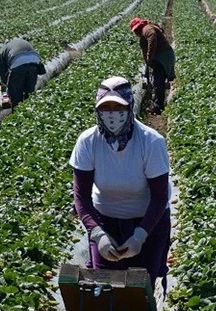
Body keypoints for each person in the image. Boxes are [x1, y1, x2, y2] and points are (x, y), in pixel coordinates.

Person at [69, 76, 171, 289]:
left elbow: (160, 197)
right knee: (104, 290)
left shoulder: (150, 142)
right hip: (105, 223)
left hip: (149, 223)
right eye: (106, 107)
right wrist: (98, 235)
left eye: (118, 106)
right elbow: (81, 196)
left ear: (130, 105)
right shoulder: (88, 142)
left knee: (139, 290)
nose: (112, 113)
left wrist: (140, 236)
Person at [130, 17, 175, 115]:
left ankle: (158, 106)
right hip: (163, 57)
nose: (136, 33)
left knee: (158, 82)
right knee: (158, 81)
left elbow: (152, 37)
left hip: (163, 58)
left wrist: (149, 56)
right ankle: (157, 104)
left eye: (136, 30)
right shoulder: (147, 28)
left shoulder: (147, 29)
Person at [0, 38, 46, 109]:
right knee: (30, 92)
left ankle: (17, 113)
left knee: (16, 95)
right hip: (34, 63)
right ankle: (29, 112)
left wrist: (5, 84)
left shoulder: (3, 50)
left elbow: (1, 70)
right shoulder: (21, 42)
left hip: (18, 63)